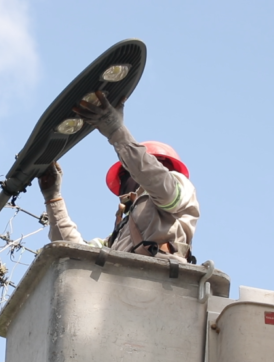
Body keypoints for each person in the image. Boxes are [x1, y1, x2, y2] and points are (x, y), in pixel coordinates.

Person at [38, 91, 199, 263]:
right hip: (123, 286)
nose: (125, 182)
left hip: (159, 282)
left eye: (127, 172)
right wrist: (53, 199)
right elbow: (77, 253)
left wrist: (116, 131)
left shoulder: (180, 188)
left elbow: (155, 179)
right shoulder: (118, 236)